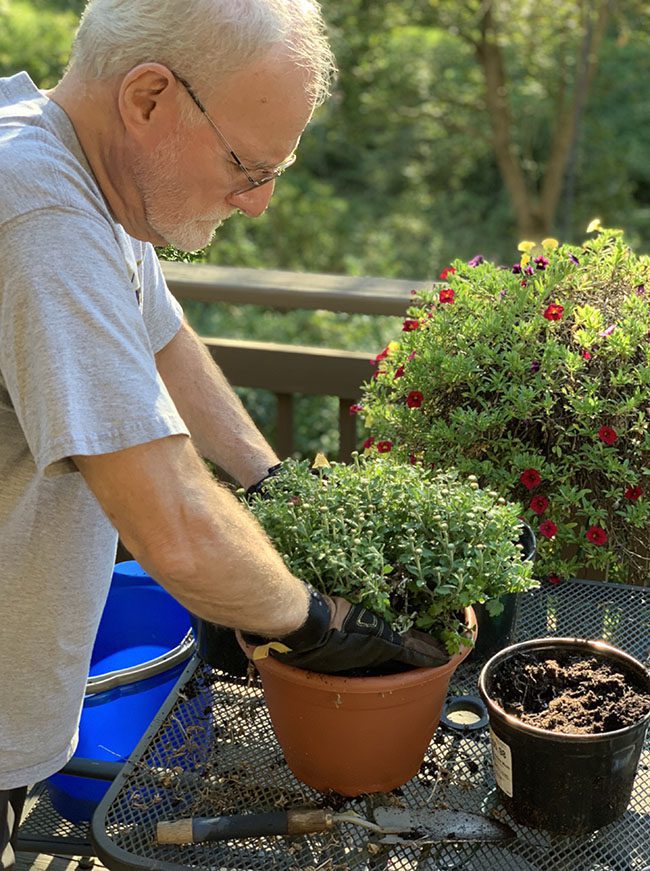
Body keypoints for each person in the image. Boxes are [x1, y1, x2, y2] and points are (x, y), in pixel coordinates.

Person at [0, 0, 447, 865]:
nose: (261, 202)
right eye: (248, 165)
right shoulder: (40, 222)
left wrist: (269, 478)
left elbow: (163, 336)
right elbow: (174, 526)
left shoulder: (75, 168)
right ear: (149, 98)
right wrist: (325, 623)